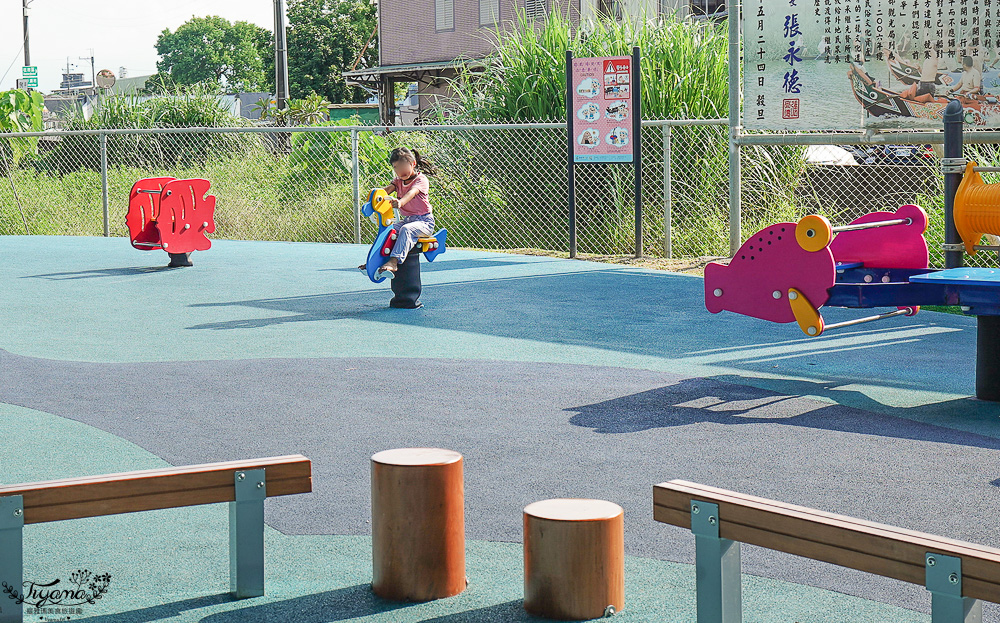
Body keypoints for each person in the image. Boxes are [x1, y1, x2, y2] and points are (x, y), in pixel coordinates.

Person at [362, 147, 437, 279]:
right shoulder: (398, 181)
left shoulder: (421, 180)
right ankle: (375, 261)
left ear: (413, 164)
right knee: (388, 230)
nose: (399, 171)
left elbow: (411, 193)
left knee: (407, 230)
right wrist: (375, 198)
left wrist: (401, 202)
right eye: (396, 167)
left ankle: (394, 261)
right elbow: (385, 191)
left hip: (424, 222)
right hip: (408, 220)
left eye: (402, 166)